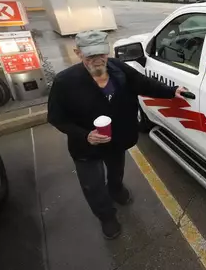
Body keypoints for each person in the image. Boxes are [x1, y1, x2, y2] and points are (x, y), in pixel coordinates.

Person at [48, 30, 187, 239]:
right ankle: (106, 216)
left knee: (116, 170)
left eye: (101, 54)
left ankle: (115, 189)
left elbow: (143, 83)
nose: (97, 60)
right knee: (92, 185)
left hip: (116, 139)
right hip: (86, 146)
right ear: (78, 53)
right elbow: (57, 118)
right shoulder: (65, 82)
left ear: (108, 51)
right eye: (90, 56)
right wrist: (85, 135)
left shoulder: (118, 69)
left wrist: (171, 91)